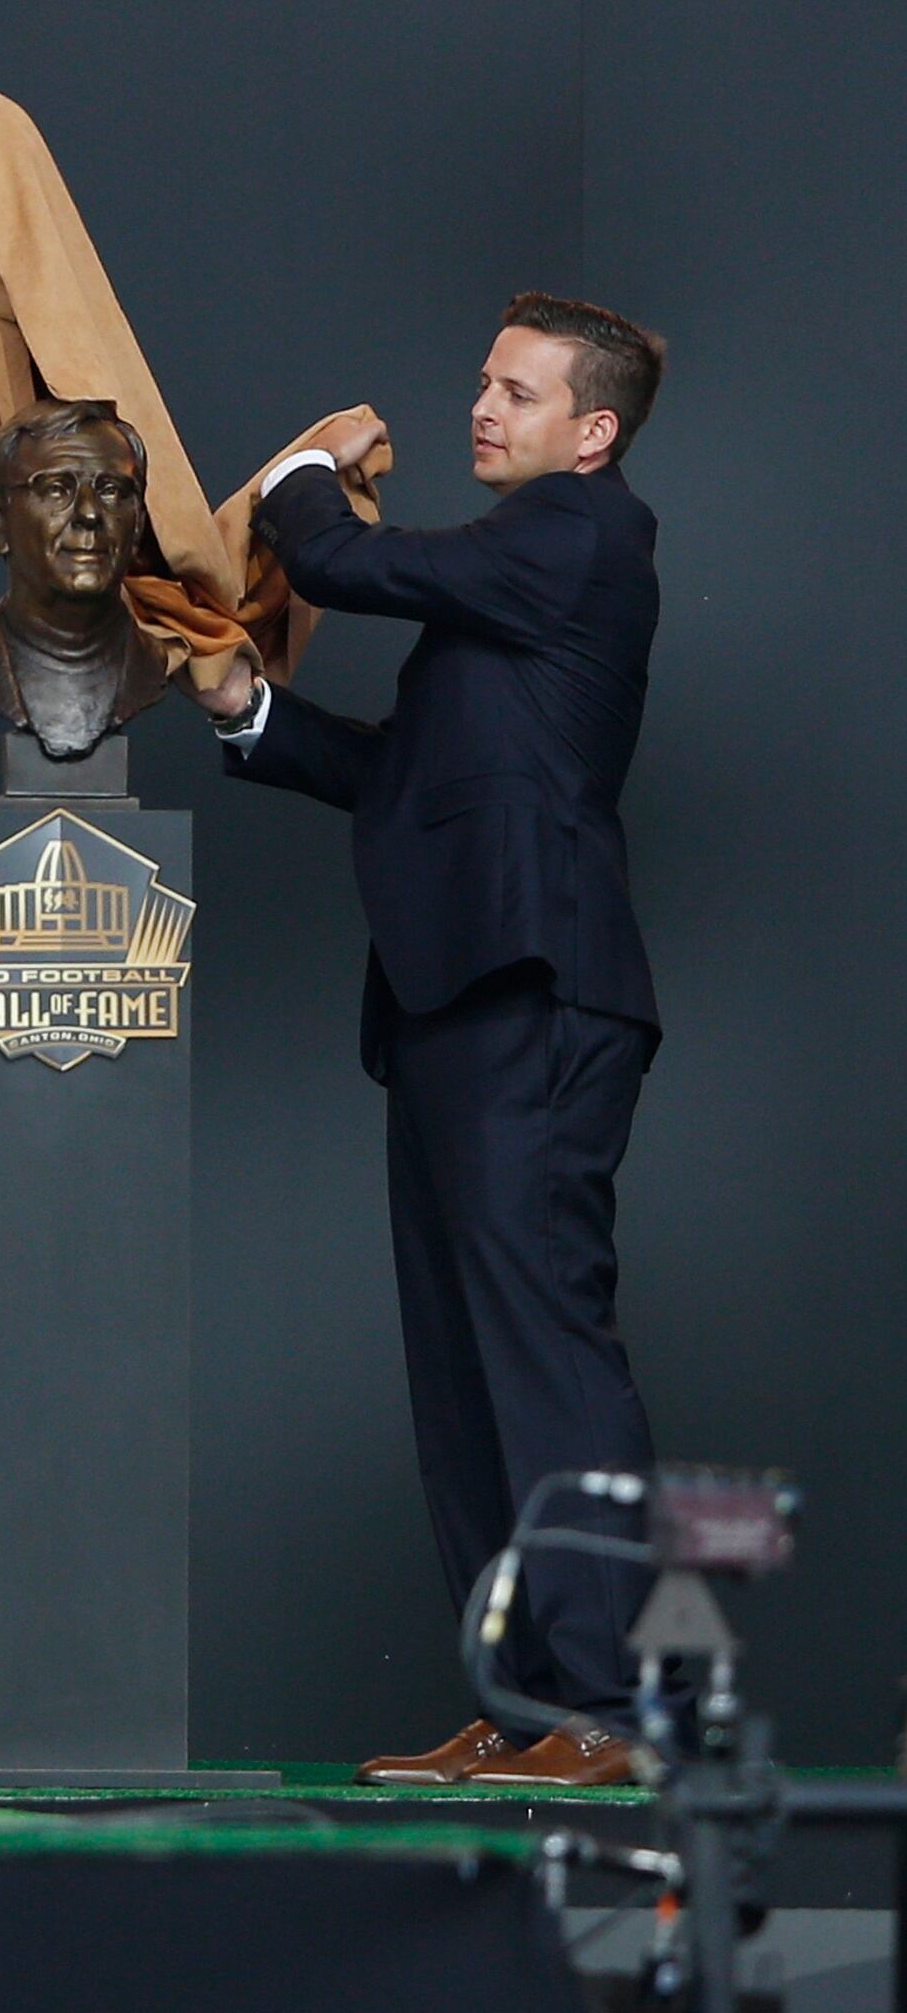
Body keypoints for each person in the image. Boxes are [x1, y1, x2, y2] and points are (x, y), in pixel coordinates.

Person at [198, 295, 670, 1789]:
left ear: (590, 435)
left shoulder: (582, 537)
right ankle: (526, 1705)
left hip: (535, 996)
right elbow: (406, 778)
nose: (483, 410)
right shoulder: (513, 588)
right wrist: (247, 707)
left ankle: (608, 1707)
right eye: (482, 383)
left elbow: (340, 554)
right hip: (456, 1000)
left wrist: (301, 471)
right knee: (465, 1367)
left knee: (539, 1351)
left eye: (519, 395)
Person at [0, 397, 177, 760]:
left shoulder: (153, 664)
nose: (89, 513)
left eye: (112, 491)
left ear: (138, 526)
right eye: (56, 489)